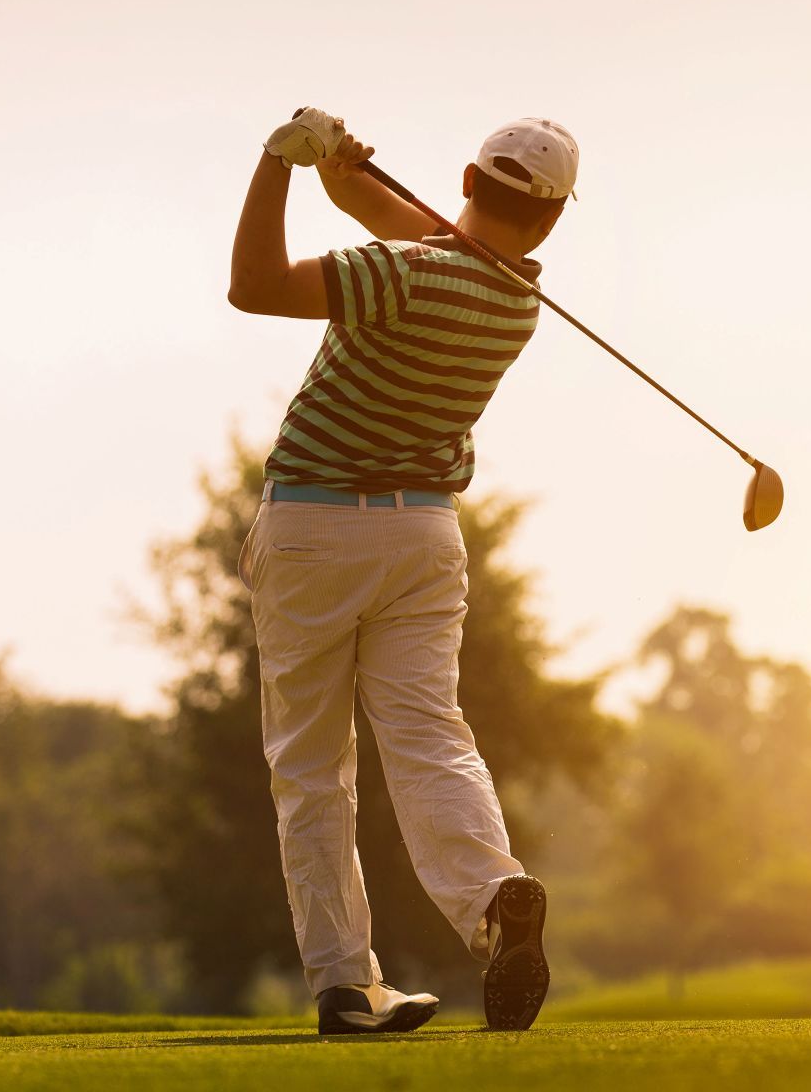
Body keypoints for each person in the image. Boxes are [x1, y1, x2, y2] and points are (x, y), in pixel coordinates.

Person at [225, 106, 578, 1034]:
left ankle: (345, 983)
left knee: (311, 766)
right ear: (551, 223)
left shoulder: (399, 274)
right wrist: (341, 172)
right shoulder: (514, 298)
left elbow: (253, 286)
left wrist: (276, 163)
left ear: (466, 180)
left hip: (312, 527)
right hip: (424, 535)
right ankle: (494, 896)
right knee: (430, 737)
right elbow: (413, 231)